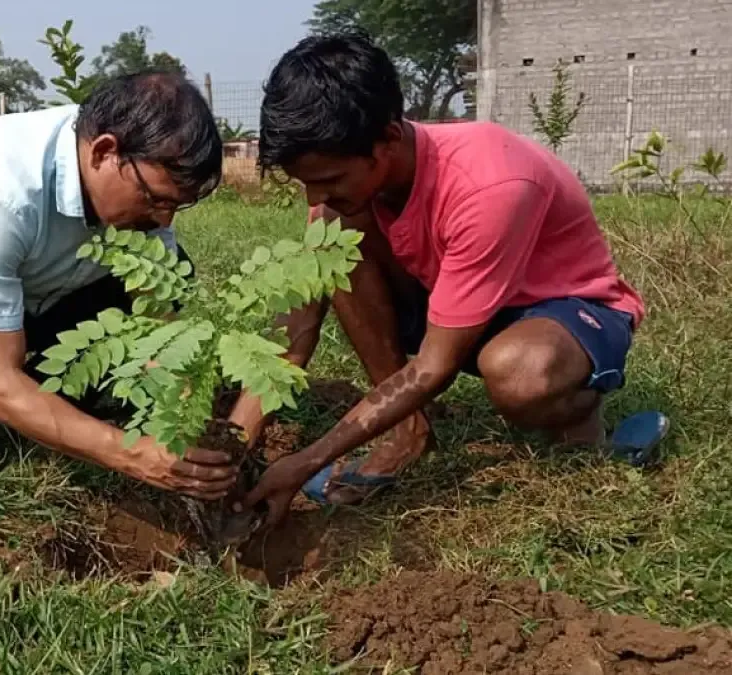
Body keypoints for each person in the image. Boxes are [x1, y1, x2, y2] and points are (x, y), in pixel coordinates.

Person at [228, 32, 669, 526]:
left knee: (519, 373)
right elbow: (297, 336)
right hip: (457, 298)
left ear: (389, 139)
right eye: (305, 182)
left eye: (329, 180)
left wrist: (306, 461)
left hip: (563, 310)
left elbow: (434, 366)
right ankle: (409, 430)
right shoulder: (342, 203)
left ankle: (583, 426)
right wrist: (233, 449)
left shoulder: (489, 184)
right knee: (336, 242)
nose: (314, 198)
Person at [0, 72, 238, 501]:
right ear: (105, 152)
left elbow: (160, 332)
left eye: (177, 206)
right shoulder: (0, 190)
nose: (164, 220)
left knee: (167, 269)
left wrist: (183, 412)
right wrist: (130, 454)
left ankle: (49, 400)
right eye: (156, 200)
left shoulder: (136, 181)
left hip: (34, 298)